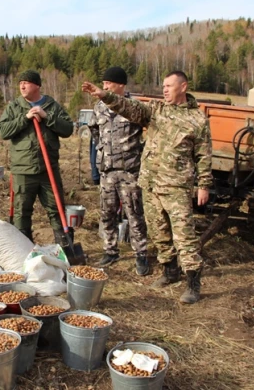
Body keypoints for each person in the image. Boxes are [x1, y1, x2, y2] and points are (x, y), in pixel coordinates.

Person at [82, 70, 213, 304]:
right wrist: (104, 95)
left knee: (184, 237)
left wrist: (204, 184)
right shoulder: (155, 110)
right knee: (158, 233)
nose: (164, 90)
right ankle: (170, 272)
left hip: (176, 187)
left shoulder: (198, 120)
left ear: (183, 87)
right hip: (150, 183)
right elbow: (130, 108)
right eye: (163, 85)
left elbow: (204, 155)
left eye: (169, 86)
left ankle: (193, 283)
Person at [0, 70, 74, 246]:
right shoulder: (14, 107)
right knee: (22, 211)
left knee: (56, 209)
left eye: (26, 82)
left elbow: (68, 129)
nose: (22, 86)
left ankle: (64, 248)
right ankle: (23, 250)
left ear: (37, 85)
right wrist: (25, 118)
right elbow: (3, 131)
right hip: (23, 170)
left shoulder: (51, 106)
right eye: (20, 83)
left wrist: (47, 117)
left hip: (48, 169)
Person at [88, 67, 149, 273]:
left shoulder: (134, 107)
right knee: (107, 213)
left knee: (134, 213)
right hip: (108, 170)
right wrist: (101, 155)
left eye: (108, 84)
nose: (104, 87)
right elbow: (95, 132)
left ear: (121, 85)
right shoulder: (99, 107)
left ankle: (141, 254)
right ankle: (110, 251)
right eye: (103, 83)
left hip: (129, 171)